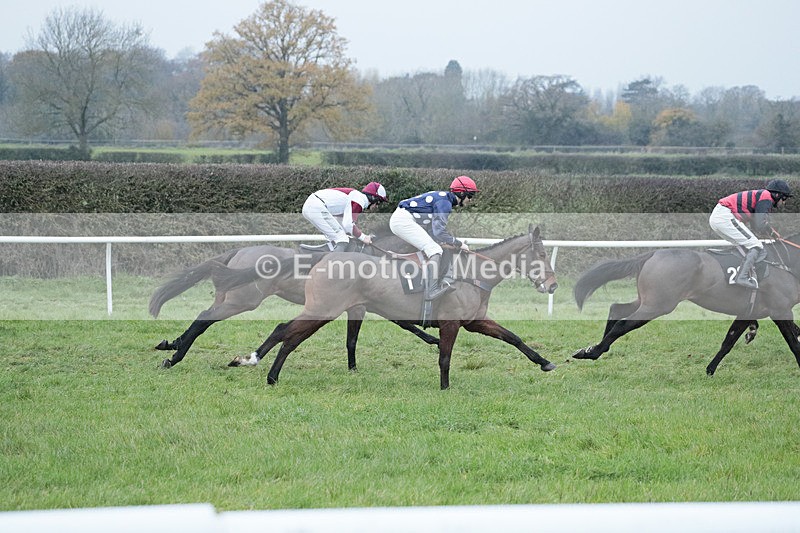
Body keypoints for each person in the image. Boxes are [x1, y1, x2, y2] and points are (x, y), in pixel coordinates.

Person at [389, 175, 478, 300]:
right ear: (462, 193)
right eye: (470, 196)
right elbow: (439, 232)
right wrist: (459, 243)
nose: (470, 200)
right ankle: (431, 290)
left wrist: (447, 243)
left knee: (435, 247)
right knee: (435, 250)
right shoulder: (445, 203)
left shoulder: (444, 199)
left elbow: (433, 230)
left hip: (402, 219)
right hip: (403, 221)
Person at [709, 179, 792, 289]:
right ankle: (742, 277)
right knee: (756, 245)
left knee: (747, 246)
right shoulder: (766, 197)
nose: (784, 203)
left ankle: (740, 273)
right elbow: (759, 224)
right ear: (778, 195)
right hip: (725, 217)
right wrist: (773, 233)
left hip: (720, 217)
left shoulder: (761, 197)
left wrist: (770, 234)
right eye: (784, 199)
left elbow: (756, 226)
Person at [302, 182, 388, 251]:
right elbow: (348, 225)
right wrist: (363, 237)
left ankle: (311, 253)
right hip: (316, 207)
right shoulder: (359, 201)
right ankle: (332, 268)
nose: (377, 206)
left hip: (313, 206)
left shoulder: (355, 198)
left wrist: (354, 235)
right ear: (373, 198)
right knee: (342, 239)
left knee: (338, 238)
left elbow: (341, 222)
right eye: (379, 202)